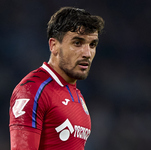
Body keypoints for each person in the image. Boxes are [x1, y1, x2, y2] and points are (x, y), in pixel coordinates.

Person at [9, 6, 104, 150]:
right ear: (54, 46)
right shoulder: (33, 89)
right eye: (77, 43)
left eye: (92, 45)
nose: (87, 53)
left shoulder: (76, 94)